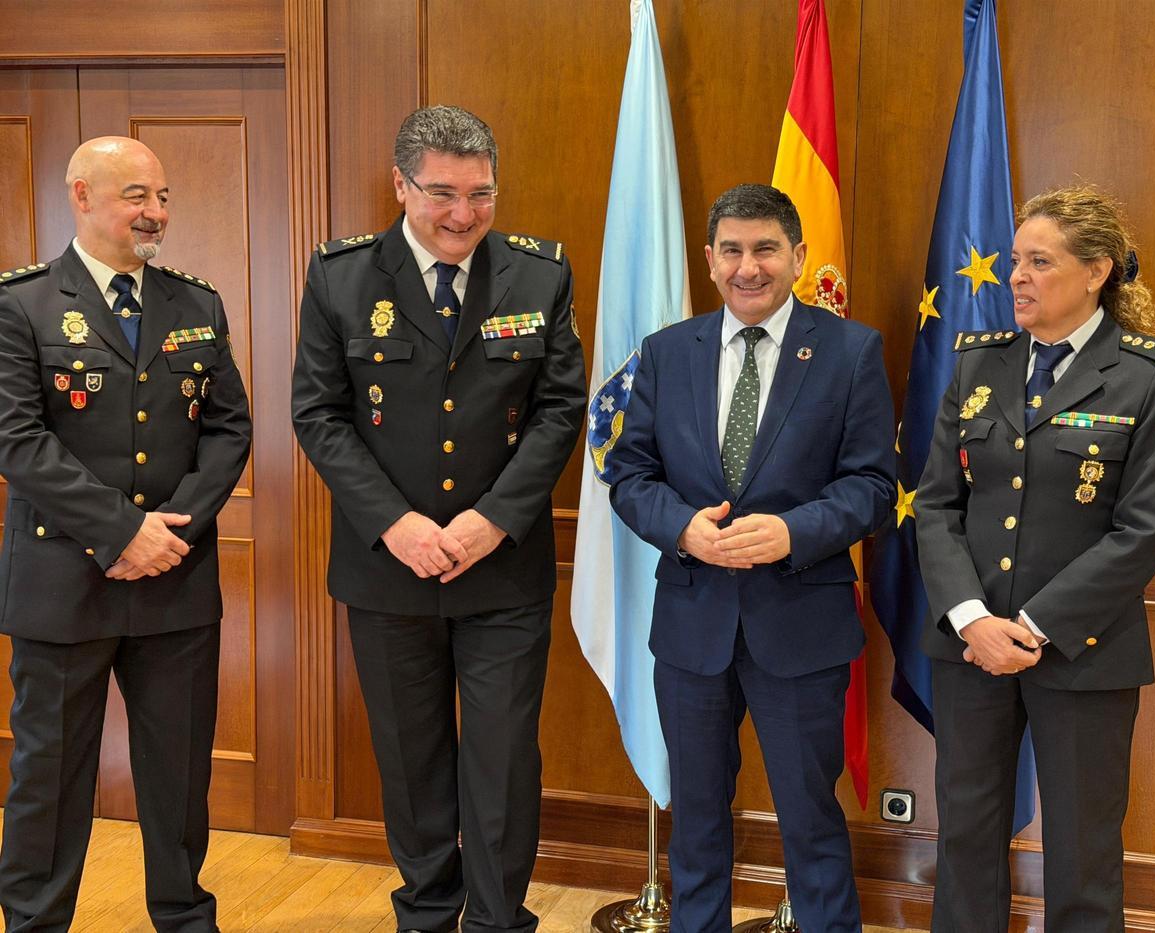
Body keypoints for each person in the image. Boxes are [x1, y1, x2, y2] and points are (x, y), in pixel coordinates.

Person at [291, 105, 585, 933]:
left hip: (502, 570)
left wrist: (492, 519)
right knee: (412, 762)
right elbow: (318, 413)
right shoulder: (341, 276)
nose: (463, 215)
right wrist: (397, 524)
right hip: (388, 569)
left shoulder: (539, 274)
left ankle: (498, 921)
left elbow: (562, 409)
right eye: (443, 194)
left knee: (500, 763)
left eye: (482, 195)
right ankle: (425, 915)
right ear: (401, 185)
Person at [607, 184, 895, 933]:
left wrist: (794, 532)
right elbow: (630, 475)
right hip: (693, 626)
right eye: (731, 249)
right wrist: (683, 529)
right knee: (697, 822)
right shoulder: (669, 352)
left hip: (801, 625)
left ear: (798, 256)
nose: (748, 266)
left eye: (765, 248)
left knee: (810, 821)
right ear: (708, 260)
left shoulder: (850, 350)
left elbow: (872, 485)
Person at [917, 184, 1155, 932]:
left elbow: (1141, 531)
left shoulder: (1147, 376)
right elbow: (935, 504)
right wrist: (974, 619)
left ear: (1098, 270)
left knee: (1082, 852)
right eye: (1015, 262)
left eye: (1041, 261)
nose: (1018, 278)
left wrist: (1032, 628)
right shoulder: (980, 367)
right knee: (967, 839)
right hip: (969, 649)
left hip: (1083, 652)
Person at [0, 136, 251, 932]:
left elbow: (228, 428)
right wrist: (121, 531)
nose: (156, 213)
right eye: (137, 195)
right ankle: (36, 922)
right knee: (49, 779)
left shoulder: (196, 302)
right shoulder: (22, 304)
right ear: (80, 195)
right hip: (62, 582)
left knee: (177, 777)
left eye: (165, 197)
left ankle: (184, 918)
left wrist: (168, 530)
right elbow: (16, 438)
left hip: (175, 578)